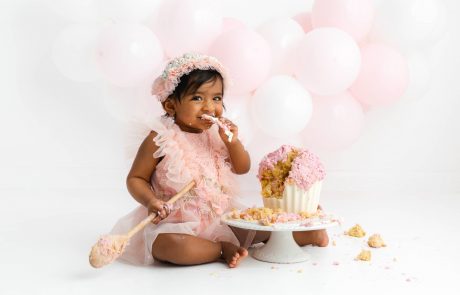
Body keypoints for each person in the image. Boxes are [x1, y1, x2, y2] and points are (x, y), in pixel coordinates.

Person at [110, 52, 328, 268]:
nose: (209, 107)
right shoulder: (160, 138)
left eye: (216, 98)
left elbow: (242, 168)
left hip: (219, 218)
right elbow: (136, 178)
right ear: (170, 105)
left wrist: (233, 143)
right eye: (197, 98)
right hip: (176, 223)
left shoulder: (217, 136)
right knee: (169, 246)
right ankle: (220, 249)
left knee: (259, 230)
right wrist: (151, 201)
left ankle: (308, 235)